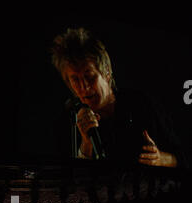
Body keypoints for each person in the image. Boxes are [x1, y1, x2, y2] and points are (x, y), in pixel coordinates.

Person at [51, 27, 187, 168]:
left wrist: (159, 159)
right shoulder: (69, 122)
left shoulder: (141, 104)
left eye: (89, 76)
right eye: (75, 79)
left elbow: (182, 159)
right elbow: (70, 180)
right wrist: (86, 142)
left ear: (107, 72)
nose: (83, 87)